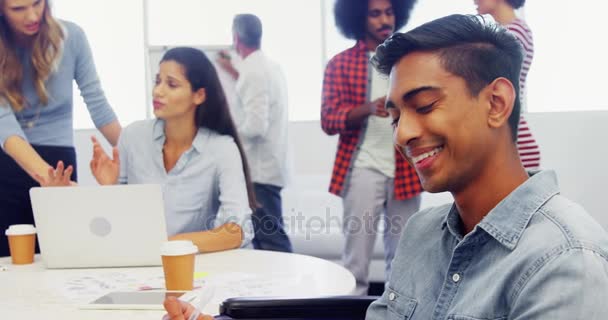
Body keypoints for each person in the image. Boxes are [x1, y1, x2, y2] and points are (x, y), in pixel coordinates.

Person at [363, 14, 608, 318]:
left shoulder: (565, 259)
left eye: (425, 105)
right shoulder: (418, 232)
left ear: (496, 103)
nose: (402, 134)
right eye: (396, 118)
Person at [89, 47, 255, 252]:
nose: (158, 91)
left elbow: (237, 230)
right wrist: (108, 188)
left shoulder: (222, 149)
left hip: (192, 265)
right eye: (157, 81)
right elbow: (114, 224)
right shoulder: (133, 137)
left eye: (172, 84)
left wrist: (170, 245)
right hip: (138, 262)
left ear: (199, 95)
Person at [0, 0, 121, 257]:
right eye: (18, 9)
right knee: (12, 263)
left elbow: (98, 104)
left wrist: (141, 153)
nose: (32, 15)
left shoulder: (72, 37)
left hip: (60, 165)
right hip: (11, 163)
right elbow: (5, 127)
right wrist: (49, 178)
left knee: (63, 257)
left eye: (36, 3)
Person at [321, 0, 420, 295]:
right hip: (362, 168)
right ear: (358, 19)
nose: (384, 20)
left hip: (406, 166)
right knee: (356, 262)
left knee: (404, 260)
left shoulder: (410, 61)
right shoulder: (340, 64)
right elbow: (328, 119)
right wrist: (366, 109)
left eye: (389, 12)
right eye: (375, 14)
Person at [216, 14, 292, 252]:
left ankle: (293, 290)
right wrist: (233, 69)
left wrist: (226, 128)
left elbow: (256, 127)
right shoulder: (269, 67)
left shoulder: (253, 72)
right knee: (264, 239)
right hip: (268, 167)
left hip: (259, 172)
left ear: (236, 38)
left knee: (270, 240)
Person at [475, 0, 541, 169]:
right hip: (510, 136)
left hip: (512, 140)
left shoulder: (513, 32)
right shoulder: (509, 31)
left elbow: (485, 81)